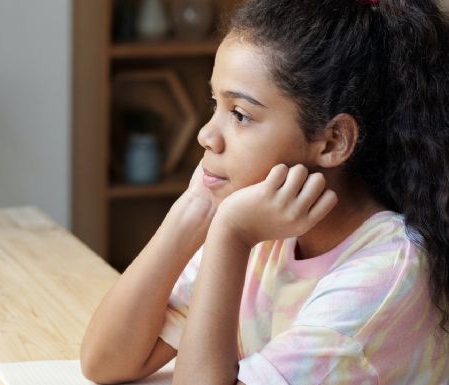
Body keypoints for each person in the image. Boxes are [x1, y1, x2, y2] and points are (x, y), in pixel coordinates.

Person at [80, 0, 449, 383]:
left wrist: (229, 236)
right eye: (214, 104)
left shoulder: (385, 275)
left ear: (333, 141)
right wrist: (193, 209)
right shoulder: (263, 226)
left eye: (239, 114)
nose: (206, 135)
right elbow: (105, 361)